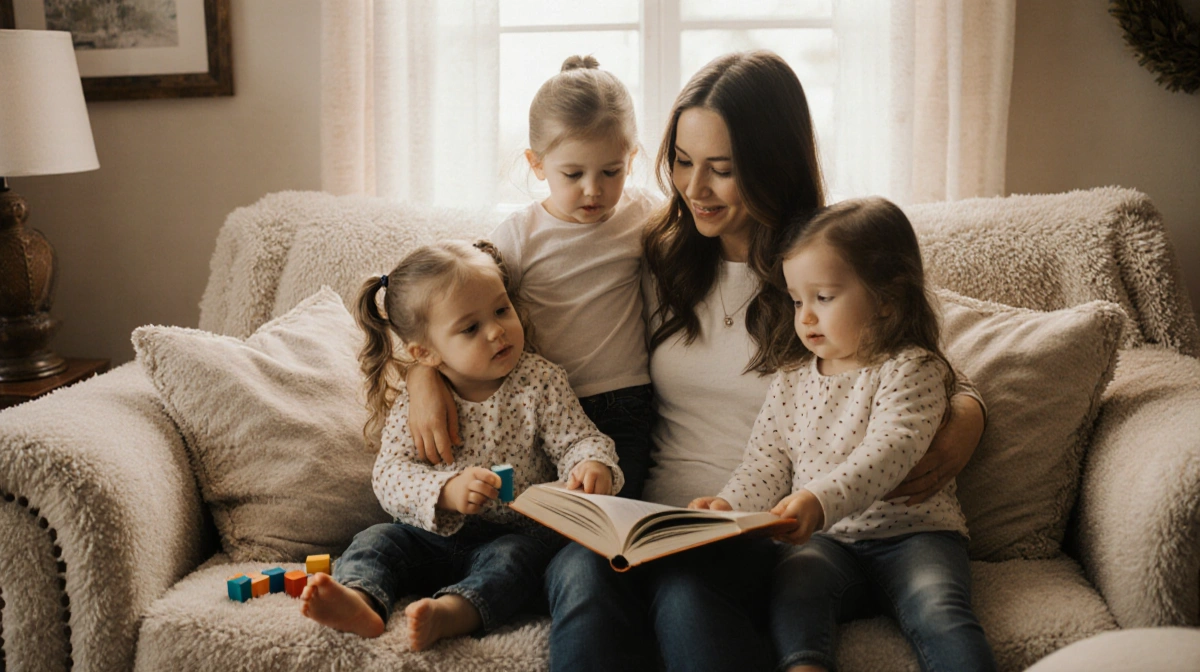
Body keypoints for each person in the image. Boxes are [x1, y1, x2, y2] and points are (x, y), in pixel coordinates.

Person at [411, 50, 987, 671]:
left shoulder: (824, 264)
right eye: (682, 162)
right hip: (645, 513)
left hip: (762, 524)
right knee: (580, 573)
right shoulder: (653, 249)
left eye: (722, 169)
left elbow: (923, 355)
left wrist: (966, 413)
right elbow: (443, 293)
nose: (693, 188)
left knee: (687, 594)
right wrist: (422, 371)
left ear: (773, 166)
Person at [690, 197, 997, 672]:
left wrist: (818, 498)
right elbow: (767, 460)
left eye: (824, 298)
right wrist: (729, 507)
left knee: (940, 609)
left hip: (916, 536)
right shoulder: (793, 377)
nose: (806, 316)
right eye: (797, 300)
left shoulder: (912, 368)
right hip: (827, 542)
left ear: (886, 300)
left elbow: (891, 450)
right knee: (794, 589)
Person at [300, 240, 623, 651]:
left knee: (516, 560)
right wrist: (446, 491)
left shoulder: (540, 382)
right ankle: (360, 600)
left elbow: (579, 438)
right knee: (375, 539)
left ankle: (454, 611)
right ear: (425, 353)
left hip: (512, 536)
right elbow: (389, 475)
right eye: (470, 328)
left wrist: (591, 464)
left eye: (502, 310)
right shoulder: (414, 403)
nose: (496, 331)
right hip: (431, 538)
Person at [410, 54, 658, 500]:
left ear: (631, 158)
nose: (593, 189)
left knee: (610, 517)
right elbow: (443, 306)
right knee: (548, 524)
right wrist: (421, 377)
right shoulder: (519, 236)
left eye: (611, 171)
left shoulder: (642, 214)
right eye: (573, 173)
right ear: (537, 163)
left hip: (627, 404)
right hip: (540, 410)